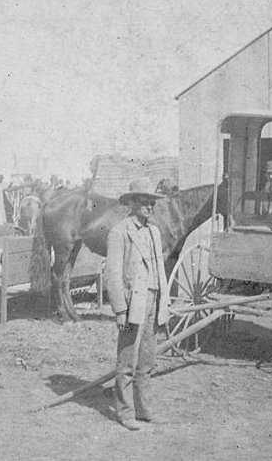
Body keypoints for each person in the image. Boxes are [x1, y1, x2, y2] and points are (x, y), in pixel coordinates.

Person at [103, 178, 170, 431]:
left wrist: (164, 301)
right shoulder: (119, 232)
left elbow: (159, 269)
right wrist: (120, 310)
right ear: (132, 203)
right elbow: (113, 274)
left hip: (153, 300)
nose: (150, 207)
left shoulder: (154, 232)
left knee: (147, 360)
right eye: (144, 202)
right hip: (133, 304)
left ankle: (143, 408)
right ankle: (125, 412)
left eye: (152, 203)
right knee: (127, 360)